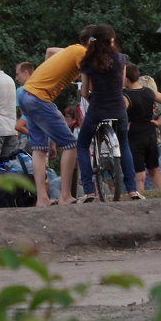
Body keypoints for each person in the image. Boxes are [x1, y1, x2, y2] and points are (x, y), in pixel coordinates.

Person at [19, 25, 95, 206]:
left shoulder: (71, 49)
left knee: (39, 148)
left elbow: (49, 51)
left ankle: (42, 198)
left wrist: (54, 73)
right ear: (92, 43)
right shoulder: (82, 54)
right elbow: (89, 85)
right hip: (39, 98)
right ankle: (65, 196)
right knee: (70, 145)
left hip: (25, 94)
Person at [74, 25, 141, 201]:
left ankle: (89, 190)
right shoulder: (120, 59)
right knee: (124, 144)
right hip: (119, 108)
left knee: (81, 145)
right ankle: (132, 190)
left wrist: (90, 97)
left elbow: (84, 92)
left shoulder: (87, 62)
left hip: (97, 109)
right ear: (111, 40)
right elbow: (121, 85)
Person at [124, 63, 161, 190]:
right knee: (154, 171)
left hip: (135, 136)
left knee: (139, 175)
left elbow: (119, 115)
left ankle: (139, 200)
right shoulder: (149, 92)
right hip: (151, 133)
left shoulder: (126, 97)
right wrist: (160, 121)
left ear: (126, 79)